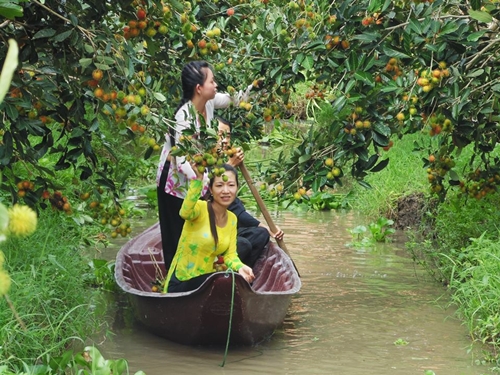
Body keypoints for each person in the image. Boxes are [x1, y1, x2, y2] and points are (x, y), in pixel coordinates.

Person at [156, 61, 253, 272]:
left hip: (198, 178)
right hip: (174, 183)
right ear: (199, 88)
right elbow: (181, 163)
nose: (216, 84)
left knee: (197, 232)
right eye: (212, 81)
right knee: (177, 234)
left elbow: (233, 100)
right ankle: (173, 282)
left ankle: (200, 273)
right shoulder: (183, 116)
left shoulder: (208, 103)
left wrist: (257, 86)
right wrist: (207, 180)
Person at [164, 163, 255, 293]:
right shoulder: (200, 209)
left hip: (207, 282)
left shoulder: (232, 219)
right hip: (182, 281)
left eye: (231, 185)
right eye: (219, 185)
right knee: (223, 281)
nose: (225, 191)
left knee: (234, 281)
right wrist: (197, 181)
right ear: (211, 190)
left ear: (237, 188)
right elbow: (184, 212)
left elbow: (230, 255)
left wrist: (240, 267)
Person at [217, 117, 285, 268]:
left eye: (227, 136)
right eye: (220, 134)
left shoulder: (221, 163)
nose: (225, 140)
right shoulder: (202, 164)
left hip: (225, 231)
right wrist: (230, 167)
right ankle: (220, 269)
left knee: (260, 235)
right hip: (207, 232)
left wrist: (266, 228)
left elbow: (236, 209)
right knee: (243, 245)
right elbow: (207, 196)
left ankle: (241, 275)